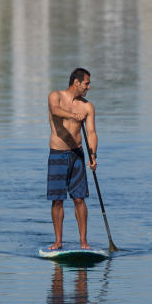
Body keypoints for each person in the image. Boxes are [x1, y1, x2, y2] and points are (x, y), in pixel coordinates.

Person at [47, 68, 97, 251]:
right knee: (57, 200)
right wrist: (73, 115)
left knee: (79, 199)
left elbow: (91, 133)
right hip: (57, 154)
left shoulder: (87, 106)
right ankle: (58, 241)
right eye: (86, 83)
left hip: (77, 155)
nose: (88, 87)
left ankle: (83, 241)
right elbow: (55, 110)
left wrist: (93, 156)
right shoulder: (56, 96)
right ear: (76, 82)